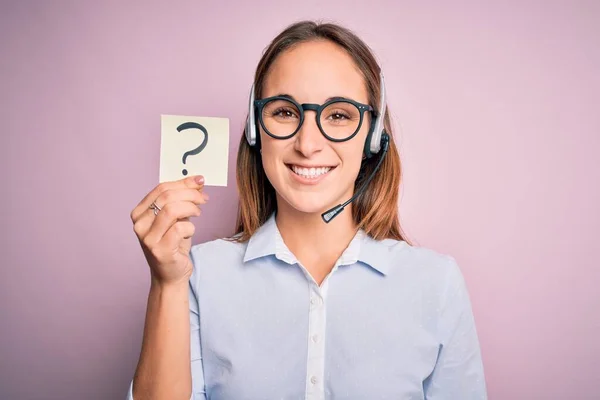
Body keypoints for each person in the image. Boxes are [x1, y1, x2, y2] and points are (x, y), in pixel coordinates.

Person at [127, 20, 487, 400]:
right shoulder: (198, 275)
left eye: (338, 115)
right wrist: (167, 283)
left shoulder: (436, 284)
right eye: (284, 112)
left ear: (374, 135)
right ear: (255, 129)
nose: (308, 143)